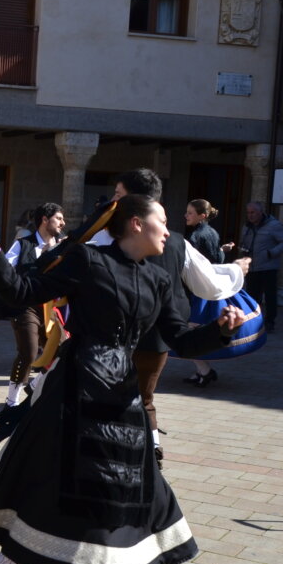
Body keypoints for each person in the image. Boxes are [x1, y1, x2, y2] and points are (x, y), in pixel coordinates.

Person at [0, 197, 246, 564]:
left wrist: (220, 331)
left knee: (117, 491)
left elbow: (179, 339)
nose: (168, 231)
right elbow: (24, 291)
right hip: (75, 391)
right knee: (51, 491)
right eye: (162, 222)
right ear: (136, 223)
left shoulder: (157, 276)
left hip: (121, 397)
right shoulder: (88, 260)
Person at [91, 169, 248, 462]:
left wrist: (223, 324)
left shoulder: (164, 245)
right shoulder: (97, 241)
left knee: (138, 396)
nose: (113, 202)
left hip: (147, 337)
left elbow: (208, 283)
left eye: (118, 196)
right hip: (110, 338)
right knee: (126, 398)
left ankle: (145, 452)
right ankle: (139, 451)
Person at [0, 202, 65, 407]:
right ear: (45, 220)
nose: (63, 223)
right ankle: (12, 400)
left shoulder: (64, 245)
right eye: (59, 218)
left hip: (52, 308)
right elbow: (5, 270)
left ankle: (35, 386)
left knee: (60, 352)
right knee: (28, 352)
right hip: (26, 306)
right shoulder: (22, 243)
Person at [227, 201, 283, 334]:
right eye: (248, 213)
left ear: (261, 212)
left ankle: (270, 322)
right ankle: (254, 321)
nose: (250, 215)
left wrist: (271, 253)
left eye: (253, 212)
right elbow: (244, 242)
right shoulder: (247, 227)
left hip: (268, 267)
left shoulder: (274, 225)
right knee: (252, 296)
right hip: (252, 267)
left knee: (270, 296)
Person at [184, 199, 223, 388]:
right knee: (193, 330)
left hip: (197, 289)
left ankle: (205, 371)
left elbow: (191, 265)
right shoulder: (212, 232)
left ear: (202, 216)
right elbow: (217, 258)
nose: (186, 215)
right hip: (208, 286)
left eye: (190, 213)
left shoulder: (196, 236)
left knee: (189, 331)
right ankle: (201, 370)